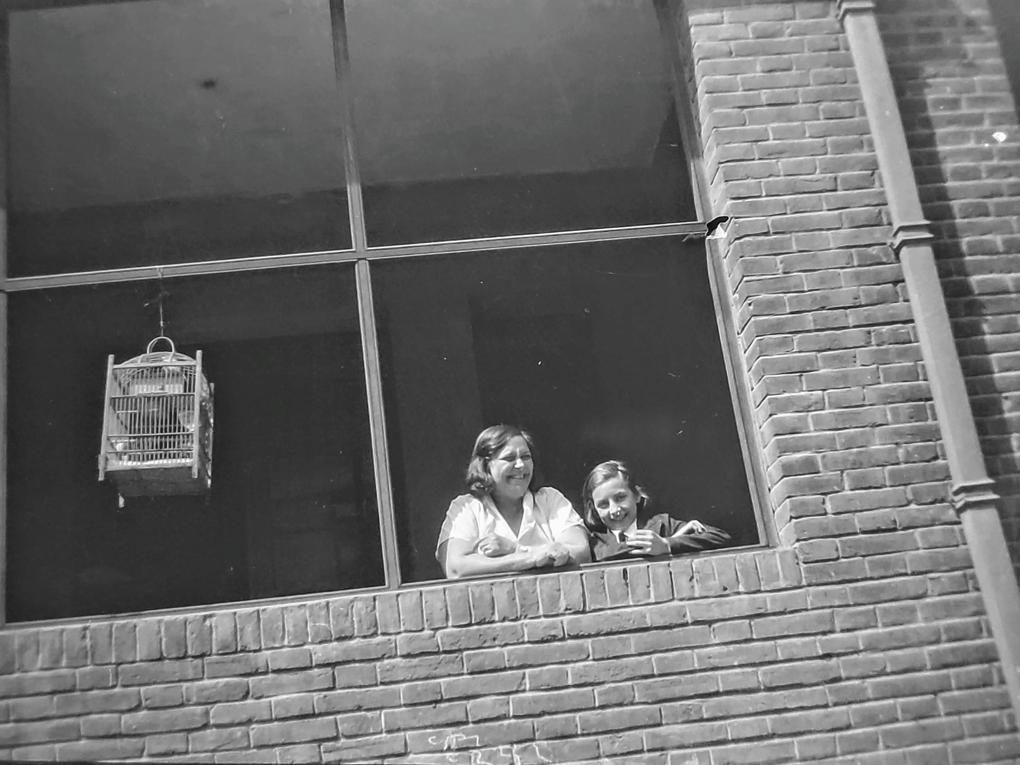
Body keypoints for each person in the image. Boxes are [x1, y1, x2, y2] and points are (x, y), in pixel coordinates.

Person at [437, 425, 590, 579]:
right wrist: (531, 558)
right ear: (486, 465)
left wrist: (515, 549)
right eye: (509, 458)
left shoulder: (550, 499)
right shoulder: (467, 508)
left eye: (525, 457)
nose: (520, 465)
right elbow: (456, 568)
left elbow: (580, 552)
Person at [582, 460, 731, 561]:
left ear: (637, 495)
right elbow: (605, 556)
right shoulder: (595, 542)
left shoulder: (661, 525)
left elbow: (720, 537)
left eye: (620, 498)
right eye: (603, 504)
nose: (614, 510)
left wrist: (667, 544)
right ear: (593, 509)